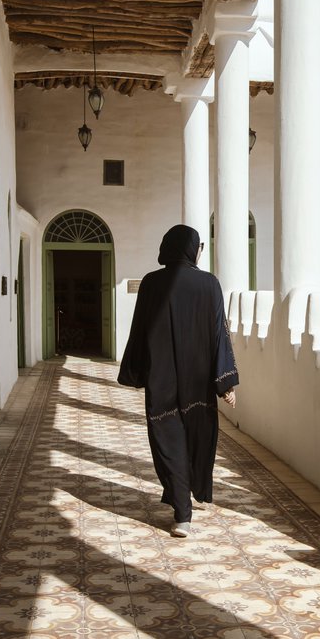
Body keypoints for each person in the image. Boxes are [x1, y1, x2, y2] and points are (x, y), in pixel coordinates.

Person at [118, 224, 239, 537]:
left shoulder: (151, 283)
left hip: (162, 383)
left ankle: (181, 509)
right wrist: (224, 383)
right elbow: (219, 334)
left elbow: (139, 332)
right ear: (192, 249)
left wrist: (136, 371)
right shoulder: (209, 284)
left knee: (167, 442)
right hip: (198, 386)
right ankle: (183, 500)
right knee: (197, 440)